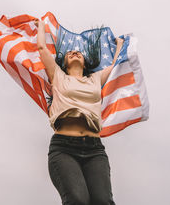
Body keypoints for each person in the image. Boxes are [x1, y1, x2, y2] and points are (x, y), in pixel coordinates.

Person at [35, 18, 124, 205]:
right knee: (78, 200)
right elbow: (42, 49)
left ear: (85, 63)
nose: (75, 52)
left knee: (102, 200)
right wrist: (41, 27)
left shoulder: (95, 79)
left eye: (79, 53)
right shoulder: (58, 77)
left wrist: (120, 46)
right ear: (65, 63)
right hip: (64, 148)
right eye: (70, 53)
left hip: (94, 149)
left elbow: (116, 67)